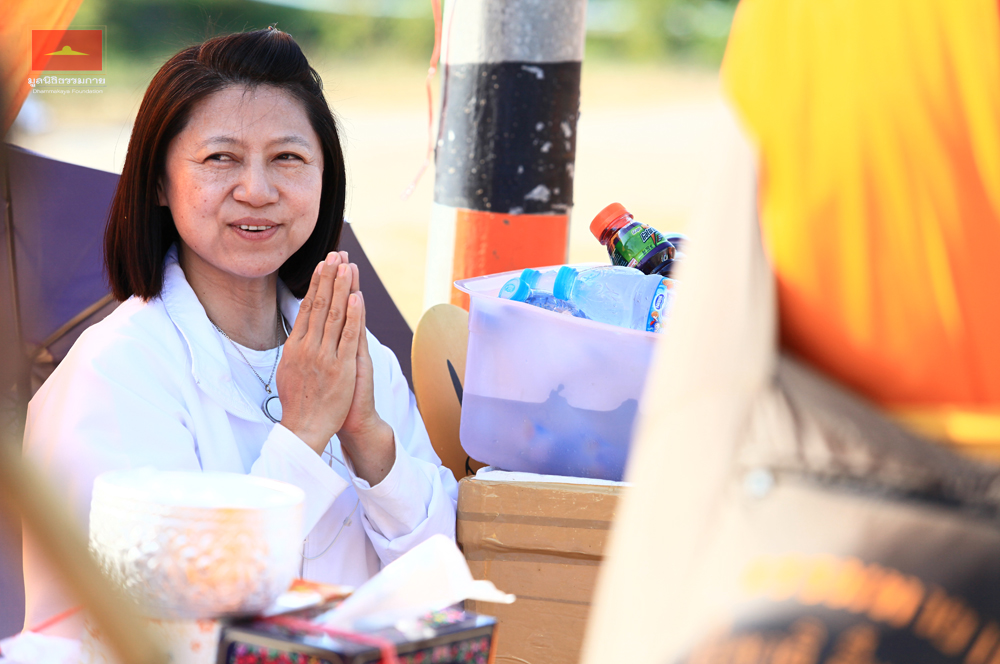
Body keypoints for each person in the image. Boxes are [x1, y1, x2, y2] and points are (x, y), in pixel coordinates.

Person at [21, 28, 458, 636]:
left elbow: (446, 586)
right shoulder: (117, 371)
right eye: (220, 158)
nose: (257, 190)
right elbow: (156, 614)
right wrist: (303, 434)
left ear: (325, 177)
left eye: (288, 158)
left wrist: (369, 442)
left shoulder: (358, 358)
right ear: (158, 181)